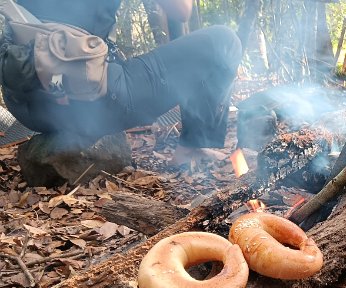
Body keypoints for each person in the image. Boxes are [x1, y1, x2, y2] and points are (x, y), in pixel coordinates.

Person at [2, 0, 242, 165]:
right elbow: (180, 10)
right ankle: (192, 146)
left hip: (25, 104)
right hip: (85, 103)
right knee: (224, 41)